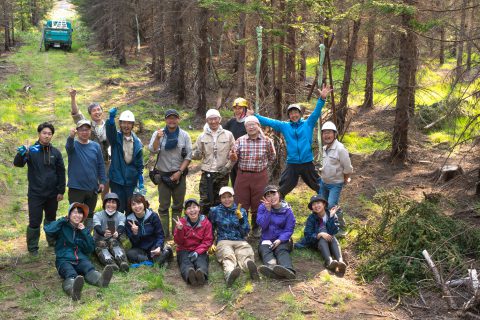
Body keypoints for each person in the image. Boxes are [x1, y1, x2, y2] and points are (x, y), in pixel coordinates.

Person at [248, 85, 333, 198]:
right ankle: (278, 205)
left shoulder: (308, 124)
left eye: (296, 112)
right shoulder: (285, 126)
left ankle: (328, 204)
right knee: (284, 187)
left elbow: (316, 113)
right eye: (291, 113)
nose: (294, 115)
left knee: (318, 186)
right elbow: (270, 122)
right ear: (289, 116)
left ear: (300, 114)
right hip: (292, 163)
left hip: (307, 162)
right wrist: (254, 116)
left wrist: (322, 99)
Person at [13, 122, 65, 254]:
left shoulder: (56, 153)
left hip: (52, 194)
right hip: (35, 193)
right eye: (44, 133)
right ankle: (33, 248)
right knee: (34, 221)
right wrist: (21, 153)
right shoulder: (31, 150)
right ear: (39, 134)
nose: (47, 136)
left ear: (52, 136)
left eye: (49, 134)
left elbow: (61, 173)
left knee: (51, 219)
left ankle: (52, 242)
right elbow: (18, 164)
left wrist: (61, 191)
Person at [44, 202, 114, 301]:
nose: (78, 215)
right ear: (69, 214)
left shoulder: (82, 230)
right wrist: (63, 220)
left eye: (80, 213)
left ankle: (101, 281)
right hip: (64, 259)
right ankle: (73, 290)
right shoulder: (62, 226)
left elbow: (90, 248)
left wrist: (84, 232)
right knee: (71, 274)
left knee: (89, 268)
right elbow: (48, 230)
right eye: (75, 212)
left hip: (80, 259)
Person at [148, 109, 192, 238]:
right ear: (165, 120)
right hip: (163, 174)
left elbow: (188, 156)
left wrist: (179, 172)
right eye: (169, 118)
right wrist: (157, 137)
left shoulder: (184, 135)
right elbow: (153, 150)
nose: (172, 120)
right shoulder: (159, 134)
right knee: (163, 206)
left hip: (179, 174)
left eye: (174, 118)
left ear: (178, 119)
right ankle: (164, 234)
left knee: (178, 205)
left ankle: (177, 233)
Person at [231, 115, 276, 237]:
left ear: (258, 126)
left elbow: (272, 157)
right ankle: (242, 228)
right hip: (243, 175)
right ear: (245, 128)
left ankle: (256, 227)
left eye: (253, 124)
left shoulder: (267, 141)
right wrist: (233, 157)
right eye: (247, 125)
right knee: (240, 202)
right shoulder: (240, 140)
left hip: (260, 176)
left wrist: (262, 167)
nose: (250, 127)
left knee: (259, 202)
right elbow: (233, 157)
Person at [209, 187, 259, 287]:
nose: (227, 200)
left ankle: (250, 268)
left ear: (233, 197)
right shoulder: (214, 211)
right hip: (224, 240)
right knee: (227, 256)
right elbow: (210, 228)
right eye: (224, 197)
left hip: (240, 240)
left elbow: (245, 232)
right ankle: (230, 274)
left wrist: (241, 219)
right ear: (220, 198)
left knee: (245, 254)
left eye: (229, 197)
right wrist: (211, 242)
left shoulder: (242, 211)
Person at [192, 109, 235, 215]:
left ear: (219, 119)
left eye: (215, 118)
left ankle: (220, 226)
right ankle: (204, 226)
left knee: (221, 200)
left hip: (223, 172)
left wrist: (227, 168)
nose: (213, 121)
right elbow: (197, 155)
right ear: (207, 120)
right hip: (207, 172)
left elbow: (234, 155)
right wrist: (194, 154)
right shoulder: (201, 136)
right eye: (210, 119)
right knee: (205, 201)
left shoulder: (228, 135)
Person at [69, 88, 110, 198]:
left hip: (107, 162)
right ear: (90, 114)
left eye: (99, 109)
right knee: (91, 188)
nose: (97, 112)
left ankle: (106, 208)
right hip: (90, 161)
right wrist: (73, 97)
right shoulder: (86, 126)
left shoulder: (109, 126)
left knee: (105, 187)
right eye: (94, 110)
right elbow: (76, 113)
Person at [66, 119, 107, 229]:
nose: (85, 132)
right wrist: (70, 137)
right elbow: (68, 147)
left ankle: (87, 236)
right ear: (77, 131)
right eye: (82, 130)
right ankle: (73, 238)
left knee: (89, 214)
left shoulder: (95, 146)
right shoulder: (73, 145)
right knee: (75, 214)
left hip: (92, 187)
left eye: (87, 130)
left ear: (90, 131)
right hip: (76, 187)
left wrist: (102, 181)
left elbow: (100, 165)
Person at [295, 195, 346, 275]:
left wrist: (332, 217)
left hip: (330, 240)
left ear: (324, 204)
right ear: (312, 207)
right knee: (322, 235)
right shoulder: (311, 218)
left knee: (333, 237)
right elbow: (308, 235)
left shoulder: (331, 214)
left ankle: (340, 261)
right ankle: (329, 262)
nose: (316, 206)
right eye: (314, 204)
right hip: (317, 242)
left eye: (318, 203)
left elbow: (334, 231)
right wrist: (319, 235)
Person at [319, 121, 353, 235]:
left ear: (335, 134)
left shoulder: (340, 149)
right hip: (324, 182)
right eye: (324, 133)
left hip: (335, 184)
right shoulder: (324, 148)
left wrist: (346, 178)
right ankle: (324, 224)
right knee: (322, 204)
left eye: (329, 133)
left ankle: (341, 227)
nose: (326, 135)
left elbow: (347, 167)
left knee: (331, 205)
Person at [106, 108, 144, 213]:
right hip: (117, 180)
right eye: (123, 123)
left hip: (131, 181)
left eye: (129, 123)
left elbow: (139, 162)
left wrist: (140, 176)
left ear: (132, 125)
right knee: (117, 209)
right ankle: (118, 229)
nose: (126, 126)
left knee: (131, 208)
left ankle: (130, 229)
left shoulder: (137, 141)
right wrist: (111, 120)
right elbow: (110, 132)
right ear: (120, 124)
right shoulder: (116, 138)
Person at [256, 185, 296, 279]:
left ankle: (288, 270)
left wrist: (280, 240)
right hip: (267, 239)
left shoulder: (287, 210)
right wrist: (268, 210)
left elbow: (289, 229)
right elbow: (262, 225)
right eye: (268, 196)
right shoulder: (262, 208)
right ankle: (272, 269)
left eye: (273, 194)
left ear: (279, 194)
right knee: (265, 250)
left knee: (281, 250)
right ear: (265, 198)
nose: (272, 198)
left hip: (282, 240)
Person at [173, 198, 213, 286]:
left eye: (194, 207)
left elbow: (208, 240)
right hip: (184, 249)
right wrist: (180, 230)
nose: (192, 210)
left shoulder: (206, 223)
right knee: (185, 262)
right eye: (189, 208)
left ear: (199, 208)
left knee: (201, 261)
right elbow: (178, 242)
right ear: (186, 212)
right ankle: (190, 276)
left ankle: (201, 274)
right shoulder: (181, 223)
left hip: (199, 249)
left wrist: (197, 252)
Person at [125, 194, 173, 267]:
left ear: (144, 203)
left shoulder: (153, 216)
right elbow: (134, 243)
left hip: (154, 245)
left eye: (139, 203)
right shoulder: (129, 220)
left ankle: (165, 252)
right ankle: (158, 260)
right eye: (133, 204)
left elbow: (160, 235)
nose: (137, 206)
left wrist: (158, 247)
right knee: (130, 254)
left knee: (156, 253)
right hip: (140, 249)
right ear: (131, 207)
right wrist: (135, 233)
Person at [93, 193, 129, 272]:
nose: (111, 205)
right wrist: (103, 233)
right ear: (104, 203)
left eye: (113, 202)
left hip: (113, 240)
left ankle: (123, 262)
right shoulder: (97, 215)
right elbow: (97, 226)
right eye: (108, 202)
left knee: (114, 243)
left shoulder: (121, 215)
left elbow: (121, 226)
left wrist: (118, 232)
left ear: (117, 204)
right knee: (102, 246)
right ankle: (111, 264)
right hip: (100, 240)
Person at [224, 97, 248, 187]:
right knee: (234, 183)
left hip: (245, 159)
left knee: (243, 183)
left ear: (245, 109)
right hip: (233, 158)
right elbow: (221, 131)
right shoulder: (232, 122)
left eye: (240, 108)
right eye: (235, 108)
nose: (237, 111)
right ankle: (236, 200)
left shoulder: (249, 122)